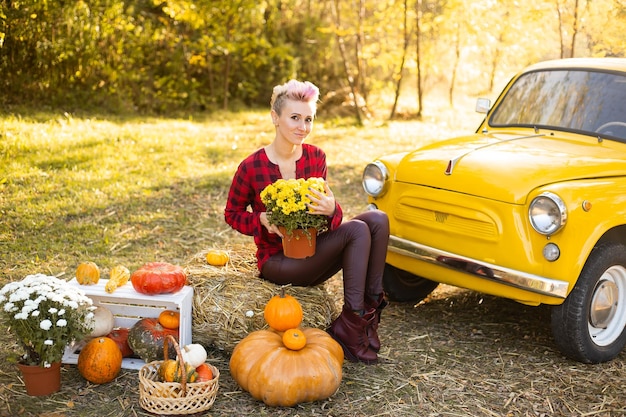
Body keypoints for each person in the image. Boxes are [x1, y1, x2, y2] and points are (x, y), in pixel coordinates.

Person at [224, 79, 389, 364]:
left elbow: (329, 224)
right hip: (278, 261)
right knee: (358, 229)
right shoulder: (252, 166)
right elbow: (232, 213)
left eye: (308, 119)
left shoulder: (316, 157)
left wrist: (331, 210)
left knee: (377, 219)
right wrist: (261, 219)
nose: (302, 126)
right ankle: (351, 325)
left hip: (311, 252)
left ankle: (366, 317)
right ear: (275, 118)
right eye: (295, 118)